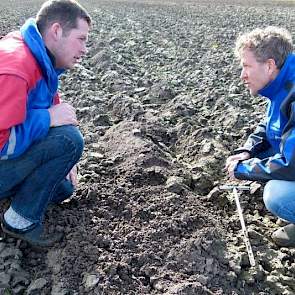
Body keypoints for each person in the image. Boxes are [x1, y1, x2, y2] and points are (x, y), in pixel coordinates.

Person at [0, 0, 91, 247]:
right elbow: (2, 143)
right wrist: (49, 119)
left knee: (63, 188)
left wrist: (66, 160)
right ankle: (19, 221)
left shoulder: (39, 56)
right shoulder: (16, 68)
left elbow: (49, 99)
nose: (85, 49)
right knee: (69, 140)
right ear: (57, 31)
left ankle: (17, 200)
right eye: (81, 39)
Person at [225, 26, 295, 247]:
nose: (242, 75)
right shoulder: (281, 84)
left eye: (246, 66)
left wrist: (243, 170)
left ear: (270, 65)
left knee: (277, 194)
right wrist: (248, 151)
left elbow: (291, 164)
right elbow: (270, 126)